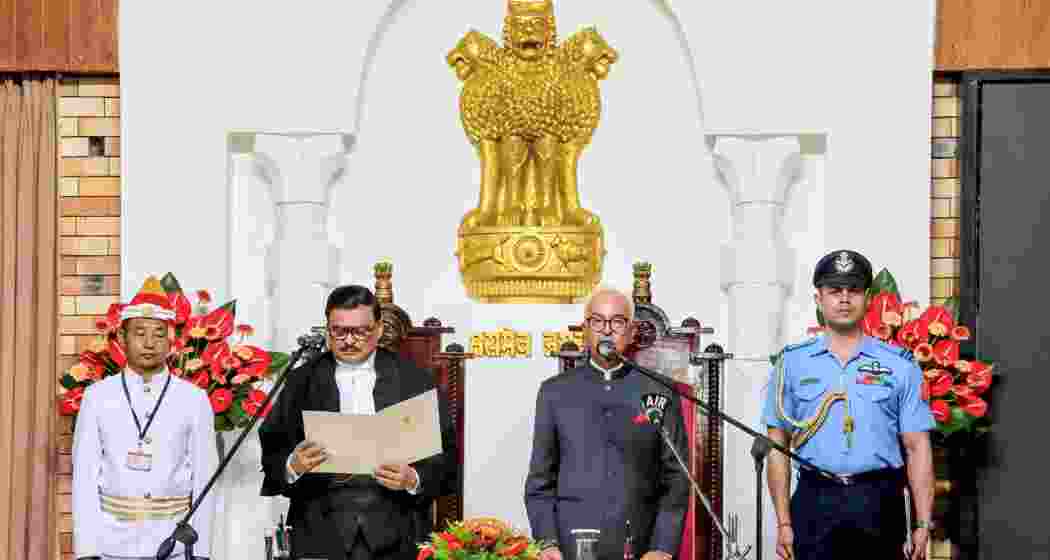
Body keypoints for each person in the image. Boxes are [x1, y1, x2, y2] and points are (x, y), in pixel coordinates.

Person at [259, 285, 457, 560]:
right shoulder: (300, 381)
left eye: (360, 331)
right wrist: (293, 465)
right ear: (327, 329)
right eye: (339, 331)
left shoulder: (415, 380)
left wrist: (414, 479)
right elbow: (271, 451)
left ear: (377, 330)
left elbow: (446, 457)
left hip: (395, 531)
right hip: (319, 531)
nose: (349, 340)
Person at [762, 250, 935, 560]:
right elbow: (777, 446)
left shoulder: (899, 365)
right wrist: (784, 521)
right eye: (834, 291)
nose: (844, 299)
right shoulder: (792, 363)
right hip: (815, 500)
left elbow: (917, 447)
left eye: (853, 290)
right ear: (819, 298)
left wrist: (922, 522)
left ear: (867, 298)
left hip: (879, 500)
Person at [525, 287, 689, 560]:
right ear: (585, 328)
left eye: (617, 321)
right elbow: (540, 480)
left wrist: (662, 547)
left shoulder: (659, 390)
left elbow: (676, 479)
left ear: (632, 330)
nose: (606, 330)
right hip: (570, 546)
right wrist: (547, 543)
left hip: (640, 544)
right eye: (597, 321)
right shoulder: (555, 392)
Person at [72, 276, 217, 560]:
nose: (149, 343)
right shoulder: (98, 397)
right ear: (122, 338)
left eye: (159, 334)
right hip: (112, 545)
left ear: (172, 341)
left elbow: (205, 477)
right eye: (139, 333)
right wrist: (87, 550)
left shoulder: (194, 399)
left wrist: (199, 552)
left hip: (174, 544)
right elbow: (85, 478)